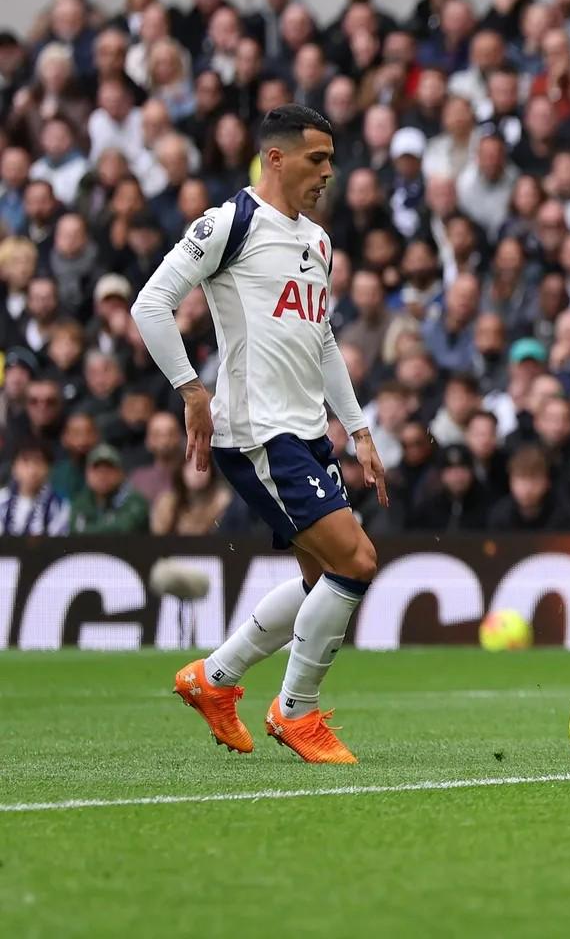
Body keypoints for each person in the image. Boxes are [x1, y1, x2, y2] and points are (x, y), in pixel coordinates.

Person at [132, 104, 390, 765]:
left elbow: (323, 339)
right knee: (357, 562)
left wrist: (358, 430)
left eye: (332, 161)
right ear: (275, 158)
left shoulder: (319, 241)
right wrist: (192, 389)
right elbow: (151, 304)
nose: (327, 174)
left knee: (320, 581)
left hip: (308, 434)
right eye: (316, 160)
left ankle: (213, 680)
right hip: (255, 430)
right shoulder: (230, 224)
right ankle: (295, 712)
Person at [69, 443, 148, 533]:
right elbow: (75, 532)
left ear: (120, 473)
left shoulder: (135, 500)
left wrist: (88, 530)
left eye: (108, 469)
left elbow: (123, 530)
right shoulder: (81, 501)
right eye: (97, 470)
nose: (102, 476)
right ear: (87, 474)